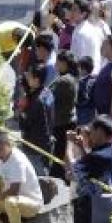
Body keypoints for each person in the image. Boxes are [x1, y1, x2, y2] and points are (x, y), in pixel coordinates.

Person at [65, 115, 112, 223]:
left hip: (87, 209)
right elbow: (89, 168)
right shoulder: (110, 152)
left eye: (92, 130)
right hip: (98, 209)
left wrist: (69, 144)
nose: (90, 133)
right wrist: (81, 146)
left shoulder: (98, 156)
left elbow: (71, 171)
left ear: (100, 132)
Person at [19, 64, 55, 176]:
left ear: (36, 79)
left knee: (36, 178)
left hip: (34, 146)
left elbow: (25, 124)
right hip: (46, 144)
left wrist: (21, 111)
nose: (27, 76)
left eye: (29, 75)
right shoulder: (48, 92)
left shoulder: (37, 101)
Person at [50, 48, 77, 179]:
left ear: (64, 63)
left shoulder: (64, 81)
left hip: (62, 122)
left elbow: (49, 96)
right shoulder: (69, 78)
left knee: (60, 152)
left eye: (58, 62)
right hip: (66, 120)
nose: (56, 65)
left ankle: (60, 177)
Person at [70, 0, 108, 74]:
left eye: (75, 10)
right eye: (71, 9)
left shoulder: (82, 32)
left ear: (83, 14)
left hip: (86, 75)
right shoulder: (84, 28)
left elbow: (82, 59)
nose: (71, 13)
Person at [76, 55, 97, 126]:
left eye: (79, 67)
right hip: (91, 111)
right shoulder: (94, 79)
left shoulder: (82, 81)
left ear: (84, 69)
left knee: (81, 130)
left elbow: (85, 96)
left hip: (83, 110)